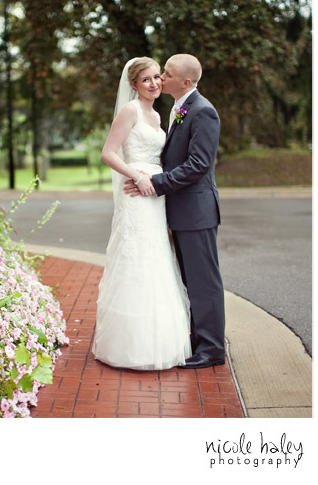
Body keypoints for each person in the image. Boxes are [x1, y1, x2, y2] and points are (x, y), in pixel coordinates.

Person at [124, 53, 226, 369]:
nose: (160, 78)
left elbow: (198, 164)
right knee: (190, 279)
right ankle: (200, 339)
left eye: (165, 73)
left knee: (203, 280)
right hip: (182, 211)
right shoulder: (179, 109)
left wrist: (156, 182)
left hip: (196, 211)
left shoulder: (202, 112)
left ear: (184, 81)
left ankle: (211, 350)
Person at [92, 56, 192, 370]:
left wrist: (158, 182)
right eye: (146, 79)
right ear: (133, 84)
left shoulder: (157, 115)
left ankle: (160, 341)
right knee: (134, 258)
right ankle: (128, 344)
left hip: (155, 194)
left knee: (157, 256)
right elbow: (108, 153)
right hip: (135, 194)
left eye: (156, 77)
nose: (154, 84)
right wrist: (136, 176)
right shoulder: (130, 110)